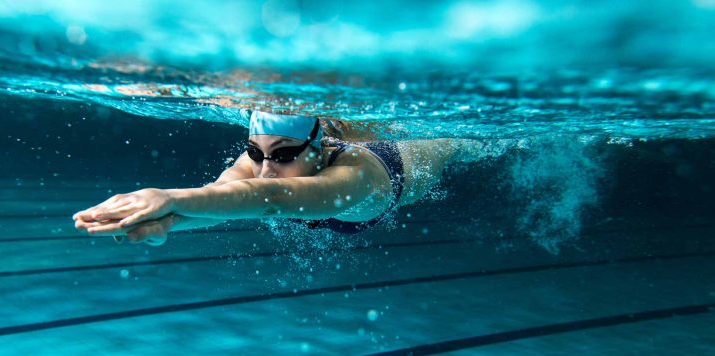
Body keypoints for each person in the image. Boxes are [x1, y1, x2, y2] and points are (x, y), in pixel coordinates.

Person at [73, 111, 458, 245]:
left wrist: (168, 198)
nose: (266, 169)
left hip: (411, 158)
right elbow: (222, 199)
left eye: (285, 154)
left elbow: (271, 198)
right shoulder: (259, 164)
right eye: (256, 153)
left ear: (319, 150)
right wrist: (166, 224)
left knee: (459, 143)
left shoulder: (356, 177)